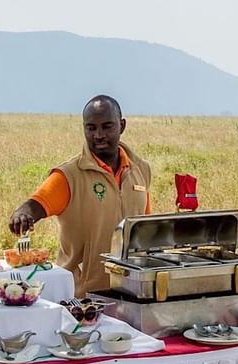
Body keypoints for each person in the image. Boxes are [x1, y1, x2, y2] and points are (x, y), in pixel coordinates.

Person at [9, 95, 152, 297]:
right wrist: (22, 214)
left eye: (107, 126)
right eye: (91, 128)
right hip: (81, 298)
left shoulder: (141, 170)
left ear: (122, 126)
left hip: (132, 293)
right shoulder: (68, 175)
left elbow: (145, 228)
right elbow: (35, 205)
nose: (98, 135)